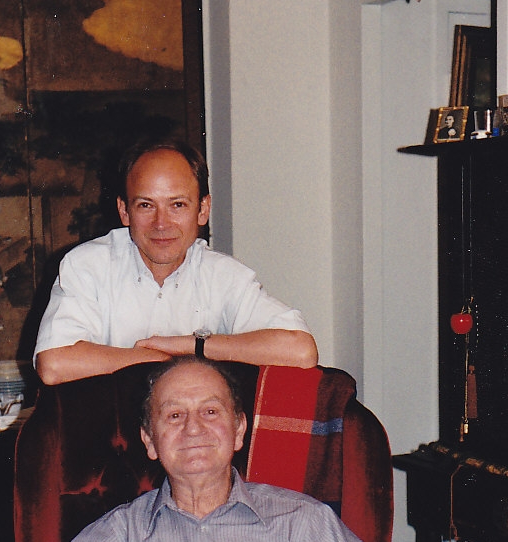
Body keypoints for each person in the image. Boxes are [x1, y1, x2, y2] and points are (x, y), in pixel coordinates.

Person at [3, 357, 433, 542]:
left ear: (239, 430)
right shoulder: (119, 536)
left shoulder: (301, 520)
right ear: (150, 440)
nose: (193, 429)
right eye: (174, 415)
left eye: (210, 411)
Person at [34, 137, 318, 385]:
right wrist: (163, 361)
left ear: (203, 210)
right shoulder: (87, 265)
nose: (161, 223)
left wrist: (193, 347)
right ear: (124, 211)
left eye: (177, 205)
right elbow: (54, 365)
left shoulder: (224, 275)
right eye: (146, 205)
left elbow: (301, 352)